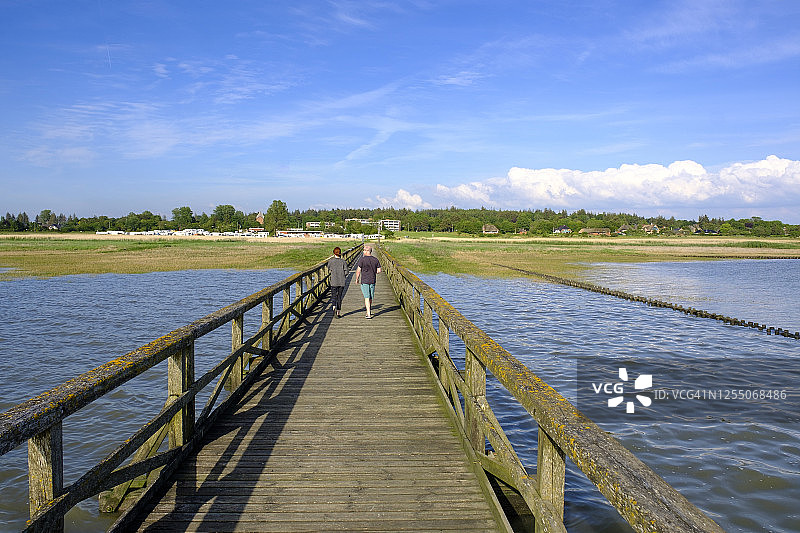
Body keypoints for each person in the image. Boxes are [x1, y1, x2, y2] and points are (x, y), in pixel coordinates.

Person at [355, 244, 381, 319]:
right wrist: (373, 271)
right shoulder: (375, 260)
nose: (363, 251)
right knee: (370, 297)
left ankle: (368, 313)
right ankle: (369, 310)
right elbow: (379, 271)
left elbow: (358, 271)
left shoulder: (362, 260)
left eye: (364, 250)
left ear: (366, 251)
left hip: (365, 280)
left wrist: (357, 279)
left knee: (366, 297)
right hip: (372, 280)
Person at [327, 247, 347, 318]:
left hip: (334, 281)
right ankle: (338, 312)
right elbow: (346, 271)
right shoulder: (343, 261)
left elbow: (329, 268)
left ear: (334, 253)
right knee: (339, 297)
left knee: (333, 296)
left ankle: (334, 308)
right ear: (340, 253)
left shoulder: (331, 261)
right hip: (341, 282)